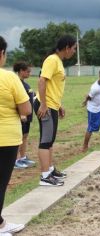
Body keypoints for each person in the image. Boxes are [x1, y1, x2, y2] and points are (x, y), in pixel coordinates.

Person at [34, 35, 77, 186]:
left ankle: (50, 170)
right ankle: (45, 176)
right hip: (46, 105)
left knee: (50, 140)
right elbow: (41, 81)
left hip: (53, 105)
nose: (74, 51)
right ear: (67, 47)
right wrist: (44, 105)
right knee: (45, 141)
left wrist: (59, 106)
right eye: (73, 48)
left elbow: (53, 86)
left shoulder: (58, 61)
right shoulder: (52, 60)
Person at [0, 36, 31, 235]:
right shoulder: (9, 78)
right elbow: (26, 108)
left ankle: (1, 223)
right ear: (1, 54)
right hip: (5, 138)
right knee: (1, 183)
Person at [12, 62, 36, 169]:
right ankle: (15, 160)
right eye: (27, 71)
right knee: (18, 138)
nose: (29, 73)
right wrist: (22, 114)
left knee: (25, 136)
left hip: (28, 115)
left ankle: (22, 157)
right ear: (21, 71)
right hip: (22, 116)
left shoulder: (25, 84)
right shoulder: (17, 83)